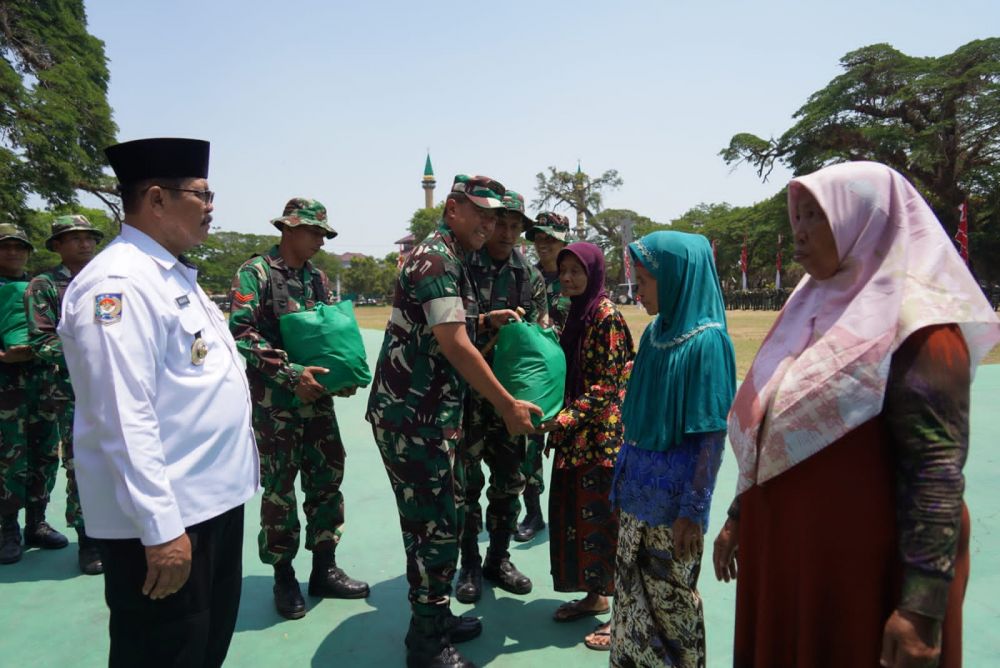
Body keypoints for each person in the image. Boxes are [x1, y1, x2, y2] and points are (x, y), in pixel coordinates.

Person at [713, 161, 1000, 668]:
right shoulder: (809, 306)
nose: (797, 232)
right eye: (795, 216)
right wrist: (739, 515)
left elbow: (936, 475)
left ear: (862, 220)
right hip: (791, 559)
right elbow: (769, 424)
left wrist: (921, 610)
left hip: (858, 577)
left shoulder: (921, 330)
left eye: (814, 217)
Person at [58, 138, 259, 668]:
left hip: (209, 505)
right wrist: (161, 529)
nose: (212, 206)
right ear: (156, 199)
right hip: (169, 521)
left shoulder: (166, 273)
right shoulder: (121, 283)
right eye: (202, 194)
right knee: (163, 653)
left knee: (201, 647)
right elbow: (123, 416)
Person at [366, 174, 539, 668]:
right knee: (433, 529)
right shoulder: (438, 257)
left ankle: (436, 619)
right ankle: (426, 644)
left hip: (430, 414)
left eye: (495, 216)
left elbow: (450, 326)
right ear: (451, 207)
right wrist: (507, 404)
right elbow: (453, 343)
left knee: (442, 519)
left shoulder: (454, 255)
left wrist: (486, 321)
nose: (488, 224)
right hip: (412, 419)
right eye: (480, 212)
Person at [229, 197, 369, 621]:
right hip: (277, 405)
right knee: (279, 490)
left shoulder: (317, 278)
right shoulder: (255, 274)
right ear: (288, 229)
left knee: (327, 480)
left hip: (317, 403)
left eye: (324, 235)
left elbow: (328, 333)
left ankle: (324, 568)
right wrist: (292, 375)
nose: (319, 241)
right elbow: (241, 333)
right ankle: (284, 576)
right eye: (313, 232)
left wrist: (337, 378)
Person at [610, 231, 736, 667]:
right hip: (636, 495)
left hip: (672, 510)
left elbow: (710, 436)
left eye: (644, 281)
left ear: (678, 278)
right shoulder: (654, 334)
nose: (637, 291)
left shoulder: (708, 342)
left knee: (671, 609)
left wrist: (693, 510)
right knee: (630, 602)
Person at [538, 241, 634, 651]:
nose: (568, 278)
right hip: (577, 436)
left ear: (594, 272)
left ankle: (623, 620)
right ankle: (595, 597)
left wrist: (559, 421)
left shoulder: (605, 315)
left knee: (607, 527)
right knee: (578, 520)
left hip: (601, 440)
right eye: (563, 271)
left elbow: (606, 386)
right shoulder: (576, 314)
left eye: (576, 270)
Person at [455, 190, 547, 604]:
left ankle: (498, 557)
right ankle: (470, 563)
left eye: (515, 226)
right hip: (469, 399)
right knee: (465, 485)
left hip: (512, 400)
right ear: (488, 223)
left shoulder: (529, 275)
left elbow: (545, 334)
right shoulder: (461, 266)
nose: (508, 233)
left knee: (509, 483)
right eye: (501, 224)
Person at [24, 214, 106, 575]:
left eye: (88, 237)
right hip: (70, 393)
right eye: (74, 238)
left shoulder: (107, 279)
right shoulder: (44, 285)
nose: (84, 243)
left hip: (116, 388)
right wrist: (91, 353)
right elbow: (41, 341)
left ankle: (115, 531)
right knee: (80, 463)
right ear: (57, 246)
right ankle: (87, 539)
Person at [0, 223, 68, 564]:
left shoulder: (38, 287)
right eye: (5, 247)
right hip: (5, 385)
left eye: (19, 247)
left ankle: (36, 522)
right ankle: (6, 527)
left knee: (44, 452)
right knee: (9, 457)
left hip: (42, 381)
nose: (13, 253)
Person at [514, 211, 570, 543]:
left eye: (550, 238)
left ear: (564, 240)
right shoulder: (526, 277)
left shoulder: (576, 275)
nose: (543, 244)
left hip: (573, 371)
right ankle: (533, 511)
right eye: (538, 237)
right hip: (538, 374)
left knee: (573, 445)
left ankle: (570, 509)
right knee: (530, 445)